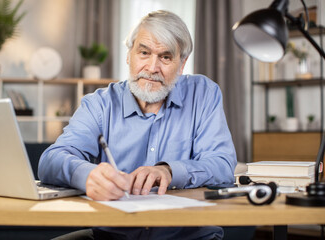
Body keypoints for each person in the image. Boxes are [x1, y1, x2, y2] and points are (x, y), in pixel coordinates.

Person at [38, 10, 237, 240]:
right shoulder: (99, 104)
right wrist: (87, 175)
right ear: (129, 55)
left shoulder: (203, 93)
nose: (152, 67)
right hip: (113, 236)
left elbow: (222, 165)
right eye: (144, 52)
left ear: (182, 64)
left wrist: (170, 170)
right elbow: (51, 160)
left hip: (188, 236)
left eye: (165, 57)